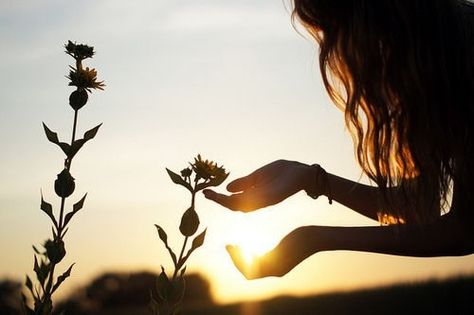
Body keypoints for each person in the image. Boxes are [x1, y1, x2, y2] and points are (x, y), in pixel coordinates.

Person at [204, 0, 474, 280]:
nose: (334, 52)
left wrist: (313, 240)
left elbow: (463, 231)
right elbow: (417, 206)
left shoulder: (463, 53)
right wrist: (309, 179)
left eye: (333, 30)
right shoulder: (432, 72)